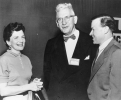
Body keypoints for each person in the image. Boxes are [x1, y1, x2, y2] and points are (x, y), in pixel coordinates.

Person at [43, 3, 97, 100]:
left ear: (75, 19)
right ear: (57, 23)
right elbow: (47, 76)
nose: (64, 22)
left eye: (67, 17)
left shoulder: (91, 41)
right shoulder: (51, 44)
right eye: (60, 19)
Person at [0, 22, 43, 100]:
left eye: (23, 37)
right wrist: (29, 86)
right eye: (16, 38)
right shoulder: (3, 60)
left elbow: (24, 82)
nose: (21, 40)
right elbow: (3, 91)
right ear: (8, 41)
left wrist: (33, 83)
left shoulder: (26, 59)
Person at [87, 14, 121, 100]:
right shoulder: (100, 49)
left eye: (93, 29)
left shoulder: (117, 52)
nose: (90, 33)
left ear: (105, 29)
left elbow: (116, 94)